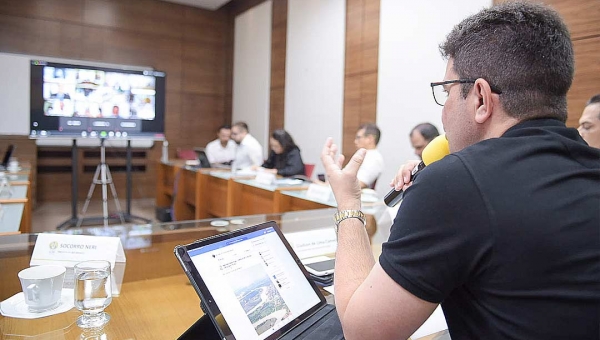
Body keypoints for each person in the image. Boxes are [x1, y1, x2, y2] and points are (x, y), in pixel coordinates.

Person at [320, 2, 600, 339]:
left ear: (481, 98)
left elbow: (361, 332)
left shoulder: (458, 182)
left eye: (447, 91)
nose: (444, 111)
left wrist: (348, 203)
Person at [354, 123, 384, 189]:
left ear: (370, 139)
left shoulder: (374, 159)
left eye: (358, 138)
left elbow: (359, 183)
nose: (355, 141)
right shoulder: (364, 155)